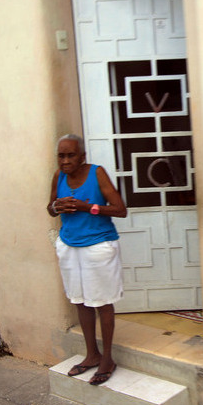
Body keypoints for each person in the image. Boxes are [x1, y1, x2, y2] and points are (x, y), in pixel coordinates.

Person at [47, 134, 127, 385]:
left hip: (99, 246)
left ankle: (108, 359)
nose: (65, 160)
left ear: (82, 157)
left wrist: (88, 207)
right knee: (80, 301)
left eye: (71, 155)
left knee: (102, 302)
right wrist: (57, 206)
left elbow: (120, 209)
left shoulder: (97, 174)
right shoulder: (58, 177)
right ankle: (92, 354)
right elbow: (50, 208)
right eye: (61, 155)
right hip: (69, 245)